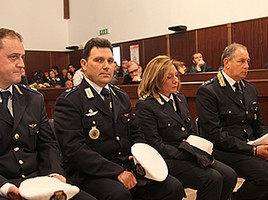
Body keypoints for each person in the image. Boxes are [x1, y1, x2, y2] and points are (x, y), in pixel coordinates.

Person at [0, 28, 95, 200]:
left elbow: (47, 144)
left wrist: (54, 173)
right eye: (13, 57)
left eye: (22, 57)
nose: (21, 64)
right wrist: (4, 187)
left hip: (39, 184)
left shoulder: (33, 98)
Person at [54, 37, 184, 200]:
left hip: (127, 166)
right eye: (99, 60)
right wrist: (117, 172)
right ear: (84, 64)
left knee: (173, 187)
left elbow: (136, 133)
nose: (106, 66)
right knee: (119, 195)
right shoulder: (70, 101)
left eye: (110, 61)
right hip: (91, 174)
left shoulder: (120, 96)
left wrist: (139, 157)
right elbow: (74, 149)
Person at [136, 55, 237, 200]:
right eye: (169, 77)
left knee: (229, 175)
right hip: (167, 159)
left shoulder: (180, 99)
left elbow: (191, 132)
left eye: (176, 75)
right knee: (212, 179)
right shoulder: (146, 106)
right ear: (156, 80)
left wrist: (197, 153)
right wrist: (189, 154)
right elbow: (155, 145)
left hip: (189, 153)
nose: (176, 80)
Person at [196, 43, 268, 200]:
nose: (246, 66)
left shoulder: (249, 89)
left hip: (250, 145)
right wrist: (253, 151)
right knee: (265, 175)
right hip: (225, 150)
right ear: (227, 63)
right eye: (241, 61)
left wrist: (266, 142)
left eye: (248, 61)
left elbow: (258, 124)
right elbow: (214, 134)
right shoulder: (209, 91)